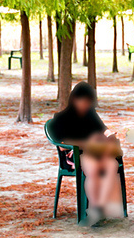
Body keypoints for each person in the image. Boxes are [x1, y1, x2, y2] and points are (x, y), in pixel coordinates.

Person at [52, 82, 124, 226]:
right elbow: (61, 147)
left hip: (97, 151)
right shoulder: (61, 118)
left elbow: (104, 129)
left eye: (89, 102)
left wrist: (110, 135)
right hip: (77, 154)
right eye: (83, 101)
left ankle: (98, 208)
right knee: (93, 169)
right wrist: (85, 144)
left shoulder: (91, 114)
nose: (86, 105)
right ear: (74, 100)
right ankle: (94, 206)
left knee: (112, 165)